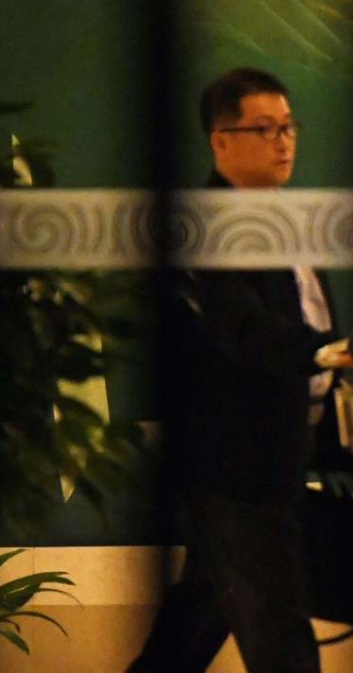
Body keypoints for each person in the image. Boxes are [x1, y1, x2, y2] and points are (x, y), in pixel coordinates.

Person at [129, 67, 336, 673]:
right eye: (265, 129)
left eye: (289, 127)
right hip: (233, 461)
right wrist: (322, 353)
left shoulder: (288, 216)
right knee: (279, 628)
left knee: (201, 614)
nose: (284, 142)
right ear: (220, 142)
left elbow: (308, 311)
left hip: (284, 451)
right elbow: (243, 329)